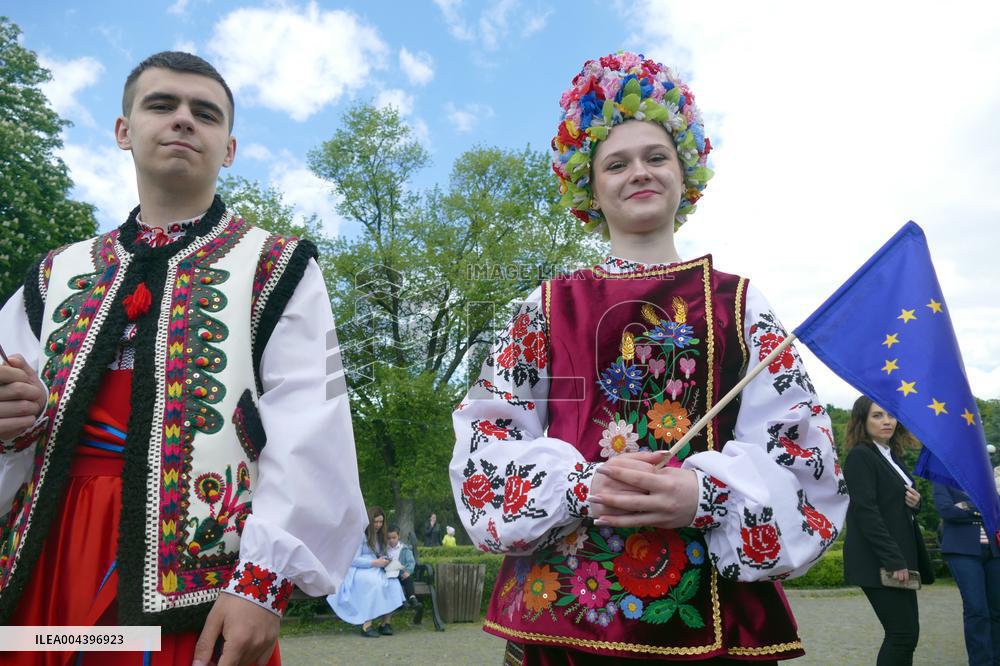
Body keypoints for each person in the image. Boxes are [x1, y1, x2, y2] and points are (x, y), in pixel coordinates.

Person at [450, 51, 849, 663]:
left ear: (685, 173)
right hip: (564, 615)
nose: (639, 172)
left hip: (715, 612)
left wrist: (704, 495)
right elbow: (490, 432)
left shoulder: (738, 303)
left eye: (656, 156)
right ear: (589, 186)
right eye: (617, 162)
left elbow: (802, 455)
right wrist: (585, 488)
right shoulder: (547, 306)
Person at [0, 51, 367, 665]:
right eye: (161, 104)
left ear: (229, 147)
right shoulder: (53, 274)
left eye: (205, 113)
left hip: (200, 584)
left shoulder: (278, 267)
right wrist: (14, 418)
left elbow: (313, 422)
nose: (183, 121)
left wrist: (264, 583)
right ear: (123, 130)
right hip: (48, 553)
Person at [843, 396, 933, 666]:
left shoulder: (891, 456)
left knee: (909, 635)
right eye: (877, 415)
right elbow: (866, 513)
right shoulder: (861, 456)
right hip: (879, 561)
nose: (887, 421)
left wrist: (916, 503)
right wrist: (893, 560)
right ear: (863, 420)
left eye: (890, 415)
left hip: (900, 558)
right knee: (901, 635)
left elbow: (894, 506)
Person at [933, 482, 1000, 665]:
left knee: (997, 610)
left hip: (995, 550)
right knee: (977, 609)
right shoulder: (943, 480)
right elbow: (946, 510)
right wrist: (981, 508)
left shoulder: (984, 477)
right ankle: (981, 662)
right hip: (963, 551)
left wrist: (966, 506)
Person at [327, 506, 405, 637]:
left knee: (393, 583)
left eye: (381, 522)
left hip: (376, 567)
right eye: (375, 522)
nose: (378, 525)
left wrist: (384, 560)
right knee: (374, 584)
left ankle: (386, 623)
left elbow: (379, 554)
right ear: (369, 521)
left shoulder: (381, 536)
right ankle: (366, 625)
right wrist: (374, 563)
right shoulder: (359, 535)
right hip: (359, 569)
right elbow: (352, 560)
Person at [385, 525, 421, 609]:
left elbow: (411, 562)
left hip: (401, 574)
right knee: (392, 582)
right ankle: (401, 602)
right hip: (389, 575)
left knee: (408, 579)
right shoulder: (385, 549)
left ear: (399, 536)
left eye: (394, 537)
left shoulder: (405, 549)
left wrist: (408, 571)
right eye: (389, 538)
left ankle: (412, 598)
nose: (391, 540)